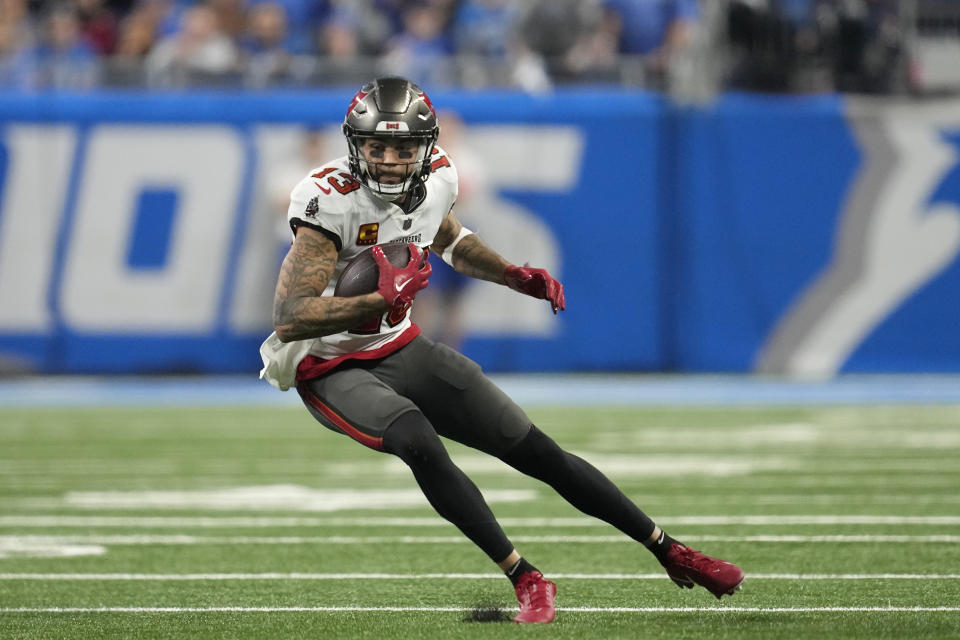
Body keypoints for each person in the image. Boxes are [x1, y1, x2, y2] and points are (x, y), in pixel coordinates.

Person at [259, 76, 744, 624]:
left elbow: (450, 240)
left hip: (398, 344)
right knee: (417, 439)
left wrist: (512, 275)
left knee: (535, 448)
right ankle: (527, 577)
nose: (390, 159)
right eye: (377, 146)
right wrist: (376, 297)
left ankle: (670, 550)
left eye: (402, 147)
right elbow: (290, 316)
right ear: (356, 145)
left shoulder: (438, 175)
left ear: (426, 147)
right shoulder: (330, 200)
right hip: (328, 363)